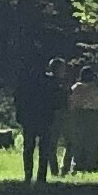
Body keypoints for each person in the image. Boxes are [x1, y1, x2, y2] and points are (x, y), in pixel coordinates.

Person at [13, 56, 64, 186]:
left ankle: (28, 175)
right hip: (45, 118)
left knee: (28, 148)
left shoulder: (24, 82)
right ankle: (41, 177)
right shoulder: (51, 81)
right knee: (44, 148)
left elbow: (18, 99)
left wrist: (20, 115)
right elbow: (58, 100)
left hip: (29, 118)